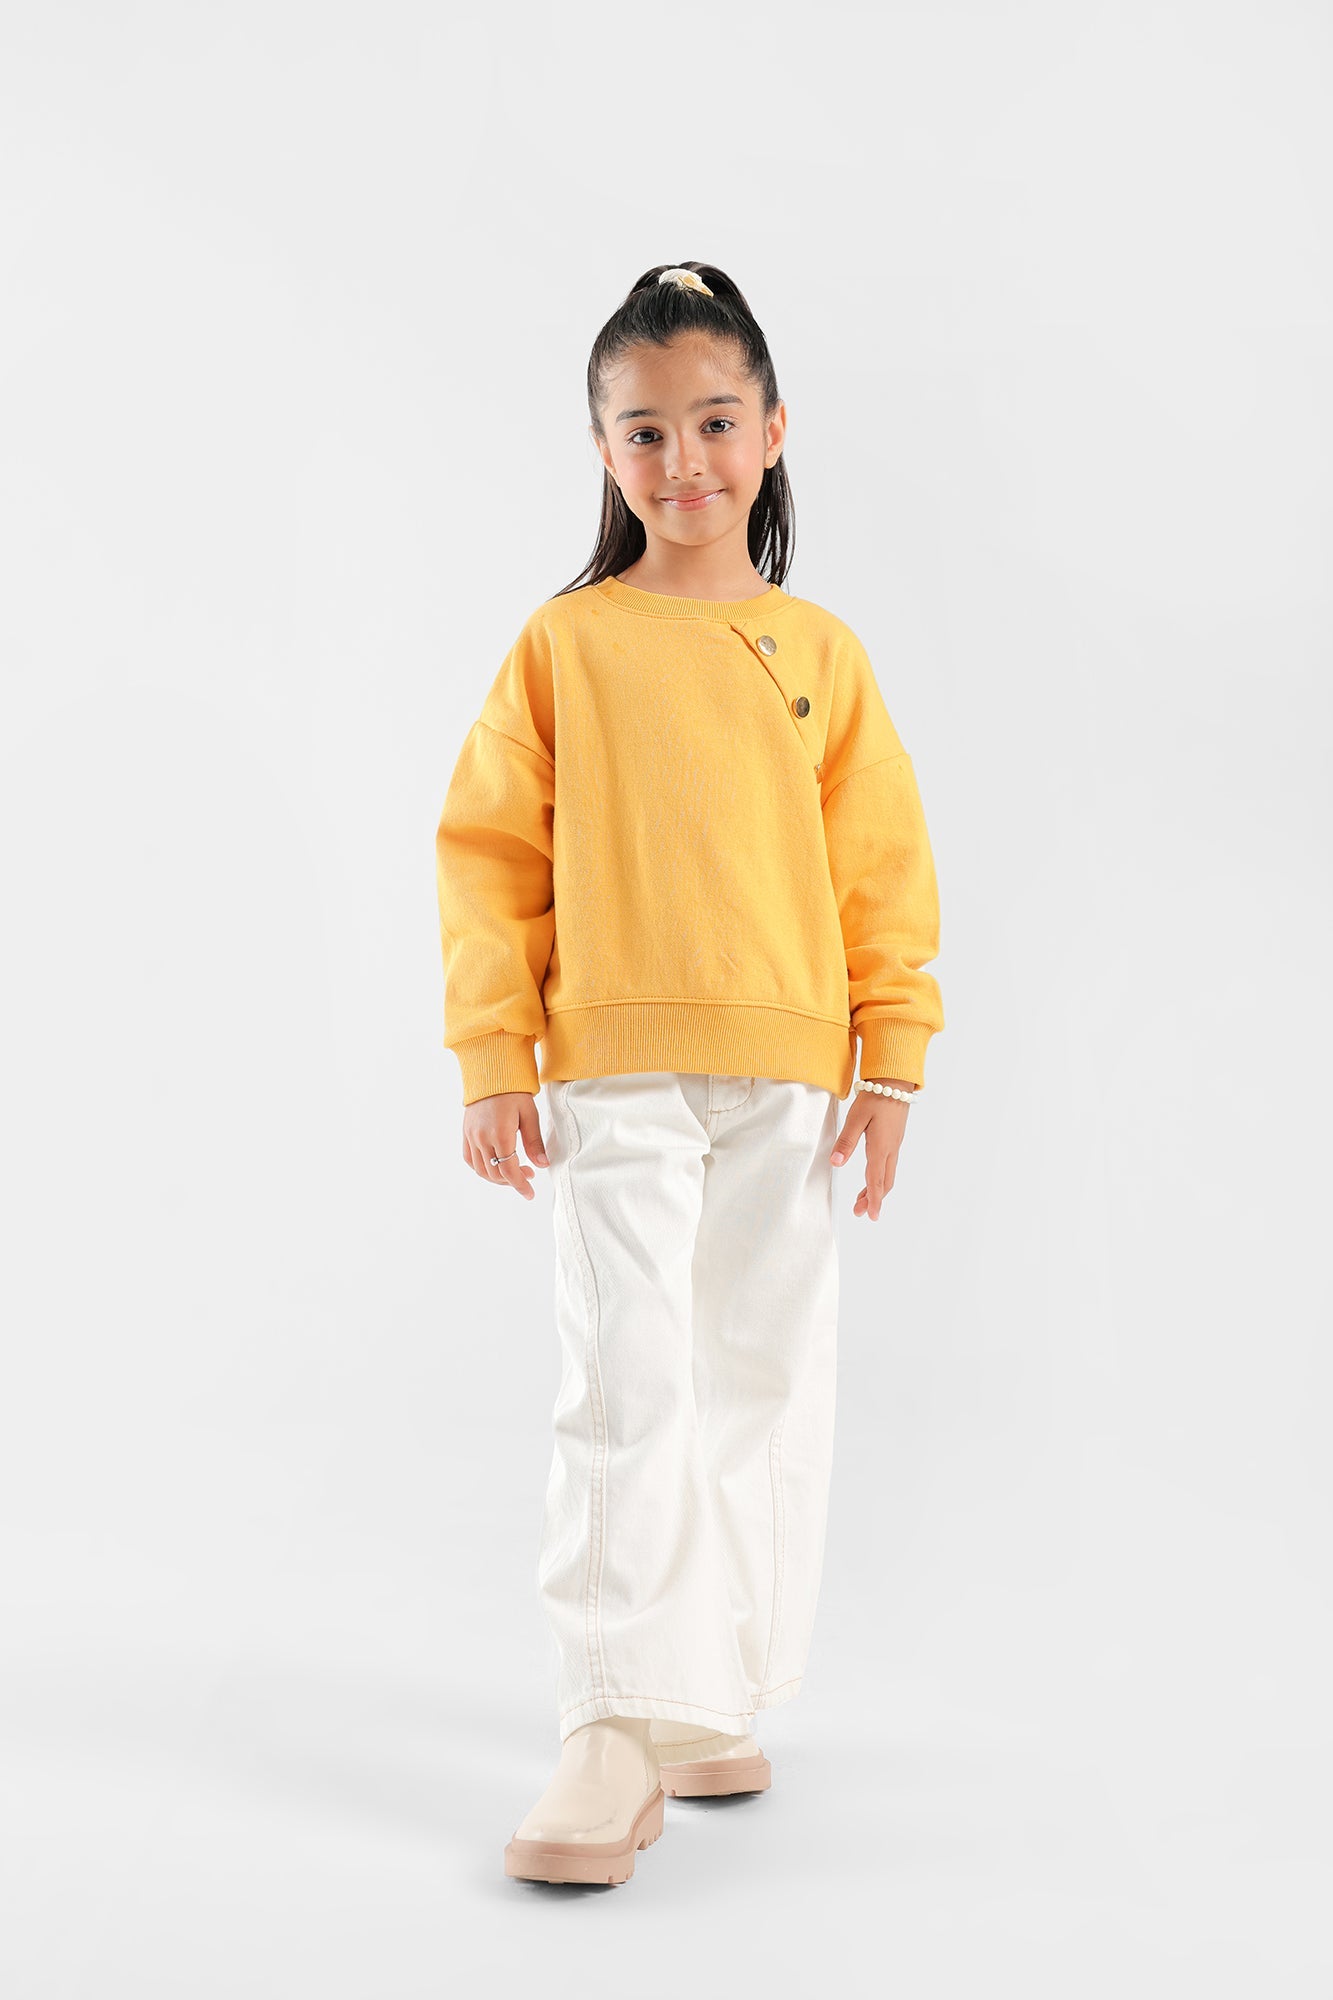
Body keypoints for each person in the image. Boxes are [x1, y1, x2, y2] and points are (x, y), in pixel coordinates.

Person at [434, 262, 945, 1886]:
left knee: (758, 1385)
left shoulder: (819, 653)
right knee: (627, 1383)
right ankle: (605, 1725)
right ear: (603, 450)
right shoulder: (564, 646)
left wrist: (890, 1068)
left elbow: (880, 872)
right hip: (614, 1076)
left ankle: (702, 1696)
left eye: (715, 422)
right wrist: (494, 1055)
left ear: (774, 429)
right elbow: (490, 859)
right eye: (644, 431)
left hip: (788, 1080)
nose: (684, 461)